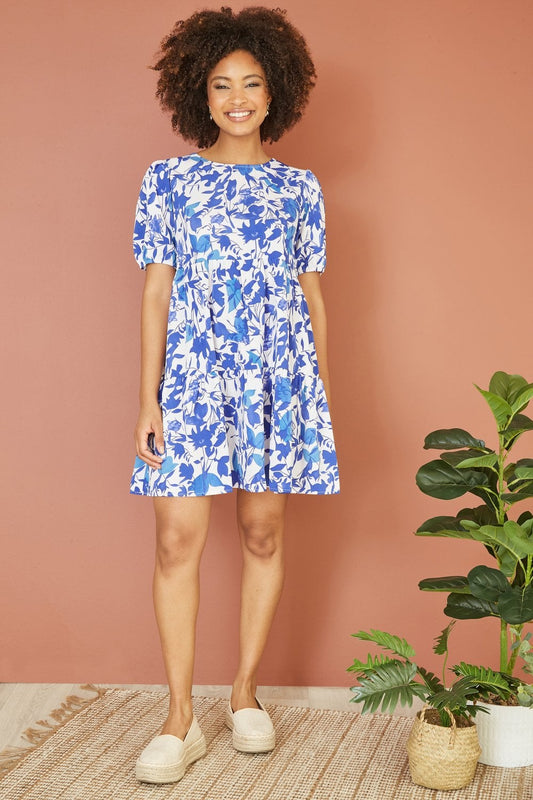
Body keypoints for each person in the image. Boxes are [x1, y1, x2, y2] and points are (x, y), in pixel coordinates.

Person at [130, 6, 340, 785]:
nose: (237, 98)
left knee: (260, 531)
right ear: (199, 92)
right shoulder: (168, 180)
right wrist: (147, 398)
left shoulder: (299, 188)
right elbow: (157, 293)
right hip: (193, 377)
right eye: (221, 84)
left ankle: (244, 693)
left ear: (275, 90)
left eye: (251, 83)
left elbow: (311, 298)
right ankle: (179, 718)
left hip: (276, 380)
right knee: (175, 540)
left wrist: (313, 399)